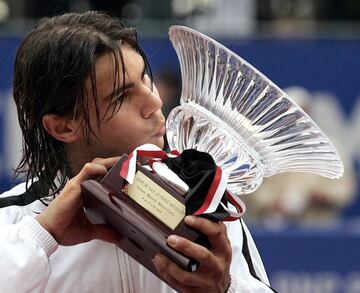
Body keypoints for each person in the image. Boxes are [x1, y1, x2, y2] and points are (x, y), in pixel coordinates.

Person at [0, 11, 273, 292]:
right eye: (121, 97)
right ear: (63, 127)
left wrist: (224, 288)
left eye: (145, 79)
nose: (155, 101)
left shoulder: (204, 208)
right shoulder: (12, 223)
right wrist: (42, 237)